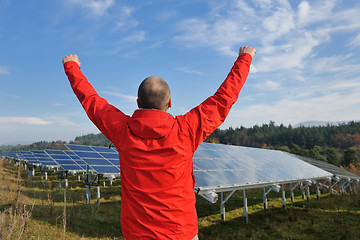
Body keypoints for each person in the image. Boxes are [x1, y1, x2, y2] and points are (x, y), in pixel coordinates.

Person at [62, 46, 256, 240]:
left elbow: (92, 101)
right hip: (180, 233)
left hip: (137, 235)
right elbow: (223, 99)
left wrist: (72, 67)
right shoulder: (186, 130)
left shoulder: (122, 130)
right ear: (170, 102)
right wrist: (244, 58)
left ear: (138, 102)